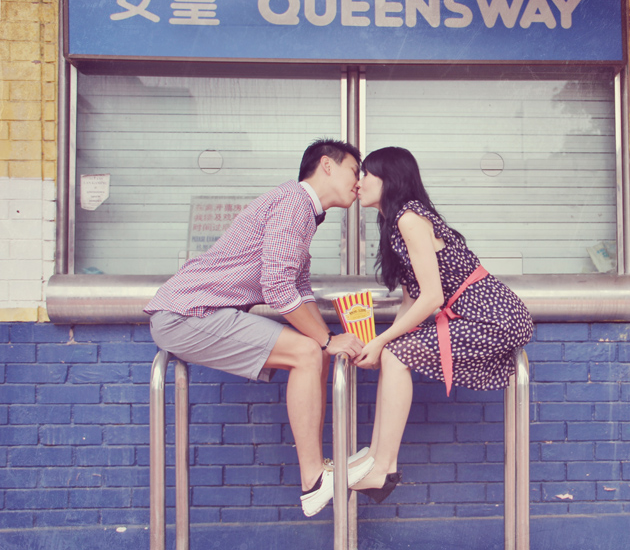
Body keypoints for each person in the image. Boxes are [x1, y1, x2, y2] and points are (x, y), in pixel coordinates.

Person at [144, 138, 373, 518]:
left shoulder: (302, 209)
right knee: (307, 351)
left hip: (201, 312)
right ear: (327, 166)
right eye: (354, 170)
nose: (359, 182)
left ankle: (317, 472)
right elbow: (277, 287)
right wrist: (328, 338)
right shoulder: (294, 203)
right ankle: (314, 480)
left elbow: (298, 288)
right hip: (187, 313)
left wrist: (329, 342)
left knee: (312, 352)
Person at [348, 146, 534, 503]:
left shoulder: (409, 218)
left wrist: (382, 341)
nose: (360, 181)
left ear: (390, 179)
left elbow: (431, 297)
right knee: (393, 353)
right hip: (478, 315)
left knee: (396, 354)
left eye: (367, 173)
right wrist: (381, 343)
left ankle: (383, 465)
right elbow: (410, 300)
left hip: (494, 316)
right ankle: (377, 459)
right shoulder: (395, 223)